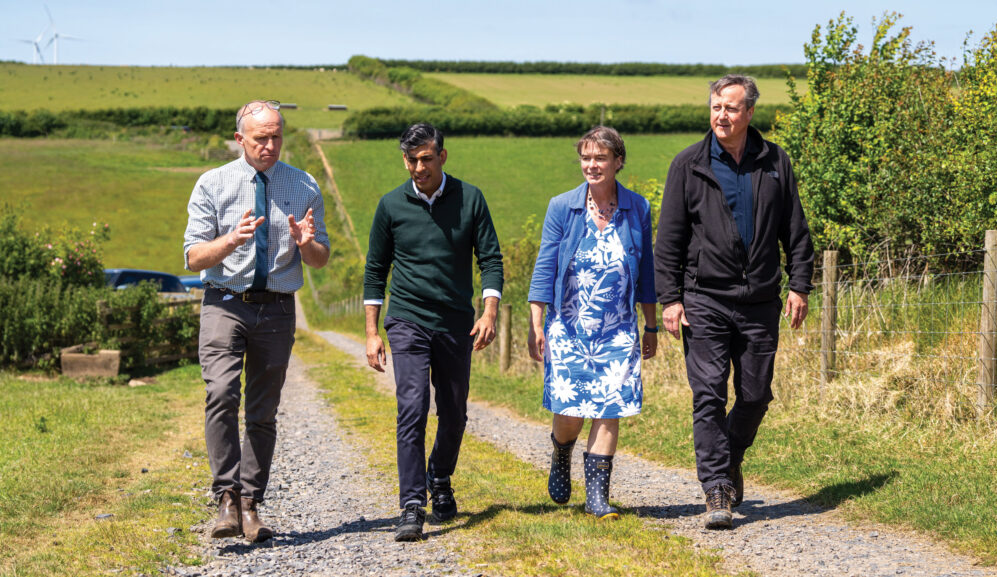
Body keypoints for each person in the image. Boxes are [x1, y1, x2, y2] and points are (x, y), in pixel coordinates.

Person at [654, 75, 815, 529]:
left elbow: (795, 230)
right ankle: (717, 491)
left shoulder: (775, 161)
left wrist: (799, 285)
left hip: (761, 299)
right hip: (703, 298)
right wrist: (671, 298)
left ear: (749, 114)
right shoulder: (689, 164)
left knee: (756, 395)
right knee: (707, 395)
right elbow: (669, 239)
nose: (721, 115)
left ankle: (728, 456)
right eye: (715, 107)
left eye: (730, 108)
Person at [183, 99, 330, 542]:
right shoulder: (213, 184)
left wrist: (307, 244)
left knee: (263, 412)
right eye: (260, 138)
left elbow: (320, 258)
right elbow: (192, 257)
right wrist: (230, 241)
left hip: (277, 308)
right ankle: (225, 497)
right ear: (239, 139)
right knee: (222, 394)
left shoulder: (303, 185)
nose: (269, 146)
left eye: (276, 137)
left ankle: (250, 503)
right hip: (224, 302)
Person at [363, 122, 504, 542]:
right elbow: (375, 271)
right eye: (411, 160)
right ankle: (411, 504)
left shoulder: (470, 198)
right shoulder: (391, 205)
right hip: (407, 318)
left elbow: (490, 259)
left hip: (456, 322)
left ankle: (439, 477)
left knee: (455, 412)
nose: (419, 167)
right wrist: (372, 331)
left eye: (426, 158)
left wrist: (489, 310)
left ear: (443, 156)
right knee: (412, 406)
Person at [527, 126, 658, 520]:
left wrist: (650, 325)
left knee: (609, 407)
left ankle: (597, 499)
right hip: (567, 328)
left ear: (618, 162)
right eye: (586, 157)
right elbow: (544, 268)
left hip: (618, 329)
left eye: (600, 158)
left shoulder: (638, 208)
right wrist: (536, 323)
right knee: (570, 412)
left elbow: (647, 272)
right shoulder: (562, 207)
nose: (592, 165)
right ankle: (562, 451)